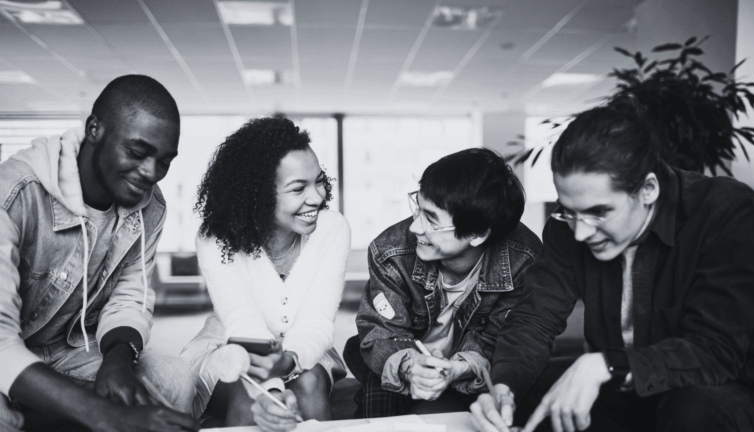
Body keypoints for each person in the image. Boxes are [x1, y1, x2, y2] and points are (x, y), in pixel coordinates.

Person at [470, 102, 754, 432]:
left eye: (599, 213)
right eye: (569, 210)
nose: (581, 232)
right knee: (532, 395)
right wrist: (504, 388)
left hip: (730, 386)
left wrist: (607, 365)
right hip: (627, 384)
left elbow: (716, 351)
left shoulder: (727, 212)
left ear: (648, 190)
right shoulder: (565, 226)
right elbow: (535, 317)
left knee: (692, 409)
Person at [0, 75, 199, 432]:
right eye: (137, 153)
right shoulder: (14, 195)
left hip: (68, 350)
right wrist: (104, 413)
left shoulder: (150, 206)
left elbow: (130, 295)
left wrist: (119, 357)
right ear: (95, 129)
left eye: (165, 161)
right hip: (7, 350)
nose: (151, 173)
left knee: (172, 379)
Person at [343, 148, 542, 419]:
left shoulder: (523, 258)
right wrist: (412, 367)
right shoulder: (391, 251)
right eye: (418, 209)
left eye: (432, 220)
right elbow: (382, 332)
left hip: (471, 365)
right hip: (405, 350)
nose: (415, 228)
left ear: (477, 233)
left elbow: (502, 342)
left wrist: (456, 370)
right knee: (375, 381)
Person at [180, 117, 350, 429]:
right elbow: (244, 322)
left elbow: (316, 320)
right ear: (257, 195)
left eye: (319, 181)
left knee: (309, 384)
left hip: (304, 345)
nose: (318, 197)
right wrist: (271, 389)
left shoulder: (332, 229)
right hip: (230, 345)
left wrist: (290, 360)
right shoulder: (216, 238)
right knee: (251, 396)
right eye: (298, 188)